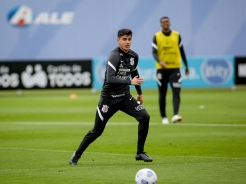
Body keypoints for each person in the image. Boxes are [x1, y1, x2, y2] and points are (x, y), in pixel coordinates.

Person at [69, 28, 153, 165]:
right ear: (118, 40)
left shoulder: (133, 56)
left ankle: (140, 152)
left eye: (129, 39)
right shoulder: (114, 56)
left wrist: (139, 93)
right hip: (108, 100)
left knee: (145, 117)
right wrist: (130, 82)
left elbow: (135, 74)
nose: (127, 42)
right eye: (124, 39)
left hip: (125, 98)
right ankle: (77, 154)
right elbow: (110, 78)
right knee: (97, 131)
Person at [152, 16, 189, 124]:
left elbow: (182, 51)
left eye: (167, 21)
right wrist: (160, 62)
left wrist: (186, 66)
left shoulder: (176, 35)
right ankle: (164, 117)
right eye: (163, 22)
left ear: (170, 23)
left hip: (175, 69)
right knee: (162, 94)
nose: (165, 23)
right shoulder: (156, 36)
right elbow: (154, 53)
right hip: (161, 70)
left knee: (176, 92)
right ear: (160, 24)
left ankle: (175, 114)